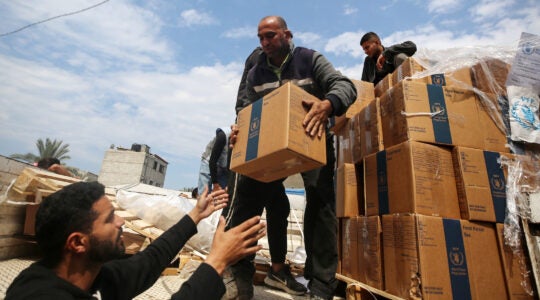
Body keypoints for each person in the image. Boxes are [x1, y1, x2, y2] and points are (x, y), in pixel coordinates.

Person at [225, 16, 357, 300]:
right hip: (272, 148)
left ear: (287, 34)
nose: (264, 43)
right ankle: (239, 279)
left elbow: (345, 86)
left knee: (320, 202)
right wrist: (240, 129)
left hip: (313, 140)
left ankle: (321, 287)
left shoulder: (310, 59)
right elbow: (247, 112)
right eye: (260, 38)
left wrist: (328, 104)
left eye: (270, 36)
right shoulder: (255, 73)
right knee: (247, 199)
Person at [5, 181, 266, 300]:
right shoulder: (39, 295)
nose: (120, 222)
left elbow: (149, 260)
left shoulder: (92, 276)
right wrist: (216, 262)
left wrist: (196, 215)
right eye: (109, 219)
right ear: (77, 243)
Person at [222, 46, 308, 297]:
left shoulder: (290, 66)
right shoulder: (257, 58)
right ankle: (233, 272)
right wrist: (245, 124)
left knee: (279, 206)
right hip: (252, 143)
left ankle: (277, 271)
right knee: (241, 210)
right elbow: (244, 101)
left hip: (273, 148)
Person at [198, 127, 231, 195]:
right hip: (209, 163)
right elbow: (212, 161)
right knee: (204, 194)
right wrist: (215, 184)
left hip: (224, 166)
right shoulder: (223, 136)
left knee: (224, 196)